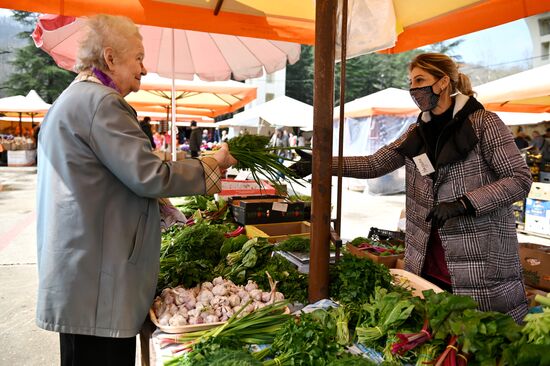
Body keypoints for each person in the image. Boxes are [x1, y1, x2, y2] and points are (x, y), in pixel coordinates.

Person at [35, 14, 237, 366]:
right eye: (139, 57)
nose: (144, 68)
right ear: (110, 58)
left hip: (81, 270)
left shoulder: (72, 99)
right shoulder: (102, 103)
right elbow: (150, 175)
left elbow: (105, 178)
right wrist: (211, 164)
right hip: (98, 277)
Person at [291, 53, 532, 323]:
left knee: (480, 334)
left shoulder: (484, 123)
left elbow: (519, 179)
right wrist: (322, 164)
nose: (413, 89)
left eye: (420, 80)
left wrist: (465, 203)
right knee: (436, 331)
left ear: (442, 82)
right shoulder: (417, 130)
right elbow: (374, 164)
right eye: (411, 82)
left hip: (478, 256)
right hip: (428, 254)